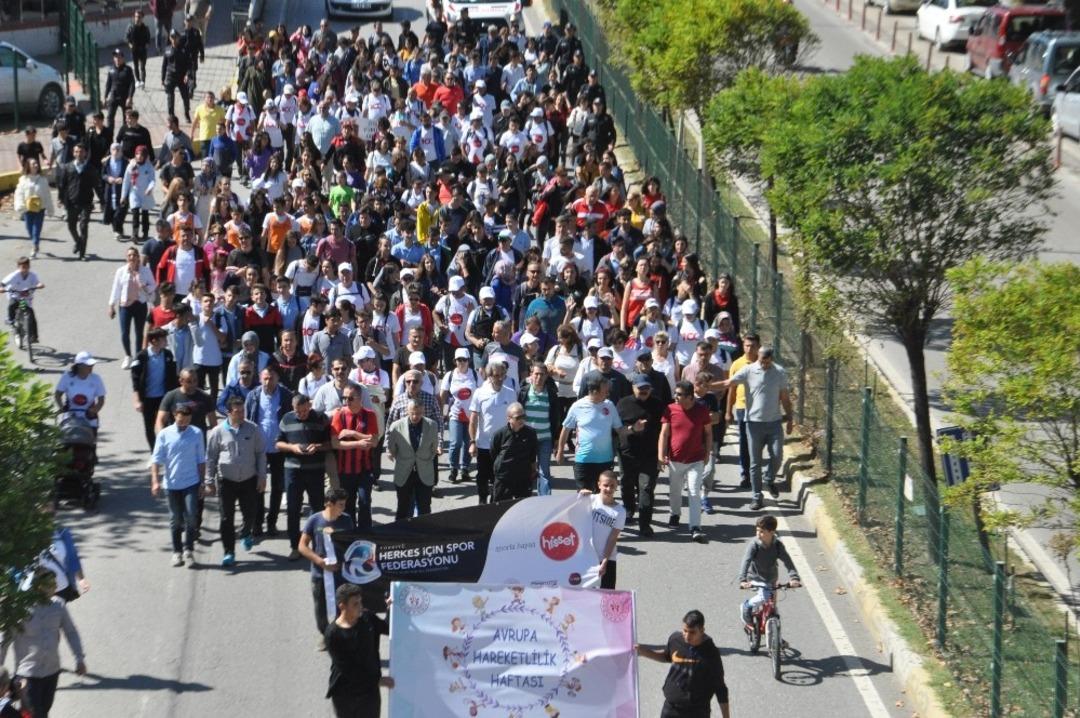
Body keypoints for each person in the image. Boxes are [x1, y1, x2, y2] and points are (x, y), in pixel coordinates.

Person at [0, 571, 87, 718]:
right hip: (27, 675)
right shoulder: (19, 610)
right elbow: (4, 641)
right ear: (38, 587)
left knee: (43, 712)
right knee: (35, 714)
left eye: (55, 583)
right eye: (50, 584)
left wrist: (79, 658)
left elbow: (71, 632)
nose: (55, 587)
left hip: (52, 672)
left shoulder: (58, 605)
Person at [719, 345, 793, 511]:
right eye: (761, 362)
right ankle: (756, 496)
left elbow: (785, 398)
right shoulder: (748, 370)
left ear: (771, 359)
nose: (764, 365)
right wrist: (708, 387)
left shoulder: (779, 372)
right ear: (758, 358)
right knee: (755, 463)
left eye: (767, 362)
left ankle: (769, 479)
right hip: (753, 423)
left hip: (774, 423)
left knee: (777, 455)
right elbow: (728, 383)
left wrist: (790, 418)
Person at [557, 374, 645, 493]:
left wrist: (633, 428)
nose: (608, 394)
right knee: (584, 497)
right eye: (605, 391)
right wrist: (560, 451)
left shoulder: (609, 405)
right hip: (583, 460)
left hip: (605, 460)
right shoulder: (577, 406)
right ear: (594, 391)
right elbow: (566, 429)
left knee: (602, 497)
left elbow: (619, 430)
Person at [205, 395, 266, 566]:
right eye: (237, 412)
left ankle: (246, 533)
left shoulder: (253, 429)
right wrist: (209, 480)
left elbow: (261, 453)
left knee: (250, 514)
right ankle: (229, 551)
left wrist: (262, 476)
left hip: (248, 480)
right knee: (226, 518)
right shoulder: (218, 432)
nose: (241, 415)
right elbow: (211, 457)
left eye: (243, 411)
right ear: (228, 413)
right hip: (227, 481)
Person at [635, 610, 731, 718]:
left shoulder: (711, 654)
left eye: (692, 632)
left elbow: (720, 688)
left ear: (702, 630)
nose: (687, 636)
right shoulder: (676, 640)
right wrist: (645, 652)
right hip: (671, 708)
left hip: (697, 712)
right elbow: (666, 656)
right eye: (685, 630)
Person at [325, 583, 394, 718]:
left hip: (370, 694)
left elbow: (388, 628)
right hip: (345, 695)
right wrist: (377, 681)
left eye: (360, 602)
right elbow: (348, 670)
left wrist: (391, 608)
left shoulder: (367, 618)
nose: (360, 607)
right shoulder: (333, 634)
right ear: (342, 606)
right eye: (355, 604)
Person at [150, 404, 206, 567]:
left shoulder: (196, 433)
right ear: (175, 415)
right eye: (182, 419)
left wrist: (202, 482)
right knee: (175, 519)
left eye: (188, 419)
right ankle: (177, 552)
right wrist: (155, 481)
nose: (184, 423)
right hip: (172, 484)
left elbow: (201, 460)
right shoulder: (164, 434)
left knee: (191, 517)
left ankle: (188, 548)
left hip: (191, 482)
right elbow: (156, 459)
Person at [298, 488, 355, 646]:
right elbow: (302, 546)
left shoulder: (347, 520)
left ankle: (341, 635)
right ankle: (326, 634)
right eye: (340, 505)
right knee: (320, 607)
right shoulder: (315, 520)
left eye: (345, 505)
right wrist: (320, 562)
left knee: (342, 605)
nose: (343, 509)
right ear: (329, 504)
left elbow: (351, 543)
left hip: (340, 574)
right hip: (319, 573)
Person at [658, 380, 713, 543]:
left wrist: (708, 452)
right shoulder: (670, 409)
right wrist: (661, 454)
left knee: (694, 492)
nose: (676, 396)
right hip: (675, 460)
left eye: (680, 394)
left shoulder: (702, 411)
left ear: (690, 397)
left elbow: (708, 433)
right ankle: (675, 513)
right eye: (676, 393)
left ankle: (695, 526)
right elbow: (664, 434)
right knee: (675, 490)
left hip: (695, 460)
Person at [277, 394, 331, 558]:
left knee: (317, 509)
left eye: (304, 411)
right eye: (298, 412)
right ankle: (295, 546)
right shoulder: (287, 419)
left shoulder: (321, 418)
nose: (301, 414)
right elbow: (278, 444)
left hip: (315, 470)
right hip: (293, 471)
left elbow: (331, 444)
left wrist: (318, 447)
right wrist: (292, 448)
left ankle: (317, 546)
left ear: (309, 406)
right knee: (293, 508)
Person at [247, 367, 293, 537]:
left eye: (271, 378)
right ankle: (257, 522)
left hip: (279, 447)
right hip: (258, 449)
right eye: (265, 378)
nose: (268, 382)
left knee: (278, 486)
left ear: (277, 378)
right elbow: (248, 420)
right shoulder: (253, 395)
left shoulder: (286, 395)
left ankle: (271, 521)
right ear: (260, 379)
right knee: (259, 486)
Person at [617, 374, 664, 535]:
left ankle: (645, 524)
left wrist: (663, 453)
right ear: (633, 387)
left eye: (647, 388)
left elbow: (665, 431)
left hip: (650, 455)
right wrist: (632, 429)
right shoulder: (623, 404)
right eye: (640, 388)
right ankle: (629, 510)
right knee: (627, 483)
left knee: (646, 488)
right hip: (627, 453)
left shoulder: (658, 405)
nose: (644, 391)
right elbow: (616, 430)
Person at [738, 514, 802, 630]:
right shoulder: (754, 545)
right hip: (756, 578)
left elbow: (788, 562)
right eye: (757, 531)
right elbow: (746, 561)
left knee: (773, 607)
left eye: (762, 531)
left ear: (772, 532)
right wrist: (743, 580)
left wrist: (794, 578)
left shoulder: (777, 545)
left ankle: (774, 633)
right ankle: (747, 606)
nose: (758, 534)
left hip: (771, 578)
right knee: (765, 596)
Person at [468, 361, 517, 505]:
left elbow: (514, 418)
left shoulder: (510, 392)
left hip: (504, 444)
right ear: (489, 376)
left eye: (503, 375)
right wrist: (472, 442)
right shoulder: (480, 393)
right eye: (496, 375)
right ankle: (482, 500)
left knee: (500, 477)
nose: (500, 378)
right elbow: (473, 420)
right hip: (484, 444)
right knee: (482, 476)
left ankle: (495, 502)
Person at [386, 399, 439, 520]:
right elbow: (392, 449)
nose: (415, 416)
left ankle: (424, 535)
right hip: (404, 472)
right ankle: (400, 534)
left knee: (425, 508)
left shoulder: (432, 425)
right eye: (412, 413)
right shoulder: (396, 426)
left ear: (423, 411)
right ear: (407, 411)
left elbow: (433, 449)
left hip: (424, 472)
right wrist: (404, 460)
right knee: (403, 508)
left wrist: (422, 460)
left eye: (419, 413)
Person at [108, 247, 157, 369]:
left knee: (139, 332)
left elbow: (153, 285)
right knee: (125, 332)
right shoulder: (121, 271)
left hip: (140, 304)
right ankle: (128, 356)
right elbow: (116, 288)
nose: (132, 257)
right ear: (126, 258)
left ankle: (137, 356)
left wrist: (144, 286)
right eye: (129, 255)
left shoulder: (145, 271)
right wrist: (111, 305)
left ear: (138, 258)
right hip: (125, 305)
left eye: (134, 255)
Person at [131, 328, 179, 450]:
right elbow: (135, 380)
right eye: (163, 339)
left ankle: (167, 450)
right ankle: (154, 453)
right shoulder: (141, 357)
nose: (166, 342)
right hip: (147, 399)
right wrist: (137, 400)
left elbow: (173, 377)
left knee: (168, 425)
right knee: (150, 426)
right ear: (154, 341)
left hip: (164, 398)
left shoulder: (168, 355)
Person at [518, 361, 560, 495]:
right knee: (525, 470)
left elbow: (556, 418)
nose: (539, 377)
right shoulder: (523, 392)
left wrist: (556, 438)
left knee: (544, 471)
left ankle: (544, 501)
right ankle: (524, 498)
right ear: (531, 374)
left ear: (546, 376)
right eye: (536, 374)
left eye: (542, 374)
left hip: (545, 438)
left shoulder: (552, 394)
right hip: (526, 439)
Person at [725, 333, 759, 492]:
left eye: (752, 346)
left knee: (757, 443)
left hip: (760, 409)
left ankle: (756, 472)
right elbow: (731, 389)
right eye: (746, 345)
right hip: (742, 408)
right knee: (745, 442)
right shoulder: (737, 364)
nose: (749, 349)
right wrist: (728, 411)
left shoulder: (764, 363)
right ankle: (746, 474)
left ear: (758, 346)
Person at [579, 470, 624, 589]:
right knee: (584, 594)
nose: (609, 489)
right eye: (605, 485)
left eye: (612, 486)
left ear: (616, 486)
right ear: (599, 484)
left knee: (607, 593)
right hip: (586, 556)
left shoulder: (620, 511)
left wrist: (605, 561)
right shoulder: (589, 500)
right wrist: (579, 496)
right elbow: (571, 513)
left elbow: (613, 538)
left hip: (607, 558)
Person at [55, 143, 99, 261]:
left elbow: (97, 185)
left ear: (85, 153)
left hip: (86, 203)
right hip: (71, 202)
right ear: (73, 153)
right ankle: (78, 241)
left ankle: (82, 253)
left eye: (81, 152)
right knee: (71, 226)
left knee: (84, 226)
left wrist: (103, 201)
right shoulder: (67, 167)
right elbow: (62, 185)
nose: (79, 154)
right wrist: (60, 198)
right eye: (76, 152)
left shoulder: (90, 169)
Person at [489, 402, 539, 501]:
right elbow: (494, 454)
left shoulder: (531, 433)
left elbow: (532, 455)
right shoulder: (499, 435)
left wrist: (533, 470)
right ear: (509, 418)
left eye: (523, 416)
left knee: (523, 507)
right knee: (499, 508)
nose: (521, 420)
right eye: (518, 417)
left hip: (523, 477)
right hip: (504, 477)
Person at [13, 160, 55, 259]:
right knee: (29, 228)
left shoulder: (43, 180)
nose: (36, 165)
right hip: (27, 209)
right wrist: (19, 205)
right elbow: (19, 193)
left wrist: (50, 209)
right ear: (28, 167)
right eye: (33, 164)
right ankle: (35, 242)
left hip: (40, 208)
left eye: (36, 164)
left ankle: (35, 246)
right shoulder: (23, 179)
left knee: (37, 228)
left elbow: (47, 195)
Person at [1, 257, 44, 344]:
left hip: (26, 298)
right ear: (18, 267)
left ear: (29, 266)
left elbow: (37, 282)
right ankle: (11, 320)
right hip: (15, 295)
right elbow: (2, 283)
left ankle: (33, 337)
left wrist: (40, 285)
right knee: (12, 305)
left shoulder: (33, 275)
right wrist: (1, 288)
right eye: (22, 267)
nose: (25, 269)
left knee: (31, 315)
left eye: (27, 266)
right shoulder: (14, 275)